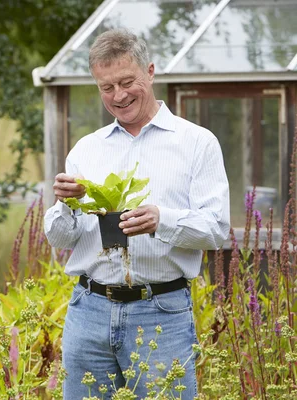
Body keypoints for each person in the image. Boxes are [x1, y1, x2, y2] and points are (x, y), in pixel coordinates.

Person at [44, 28, 230, 399]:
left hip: (161, 310)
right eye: (106, 87)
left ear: (150, 71)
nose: (119, 95)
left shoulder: (196, 143)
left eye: (127, 82)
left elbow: (216, 229)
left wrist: (163, 220)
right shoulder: (88, 149)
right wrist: (65, 203)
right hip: (88, 310)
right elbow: (62, 239)